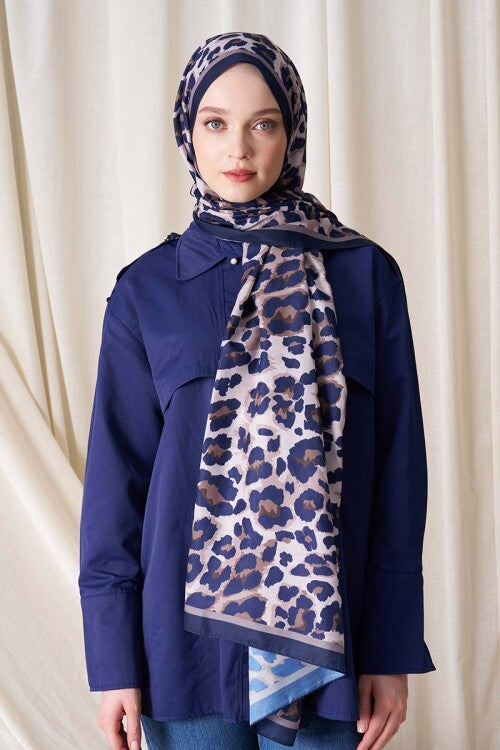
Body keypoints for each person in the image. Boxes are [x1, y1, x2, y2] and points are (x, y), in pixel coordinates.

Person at [78, 31, 436, 750]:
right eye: (215, 123)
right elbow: (117, 489)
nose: (238, 148)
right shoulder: (147, 290)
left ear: (291, 131)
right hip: (184, 652)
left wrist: (391, 649)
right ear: (188, 134)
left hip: (336, 650)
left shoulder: (365, 277)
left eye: (262, 124)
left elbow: (399, 476)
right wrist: (113, 661)